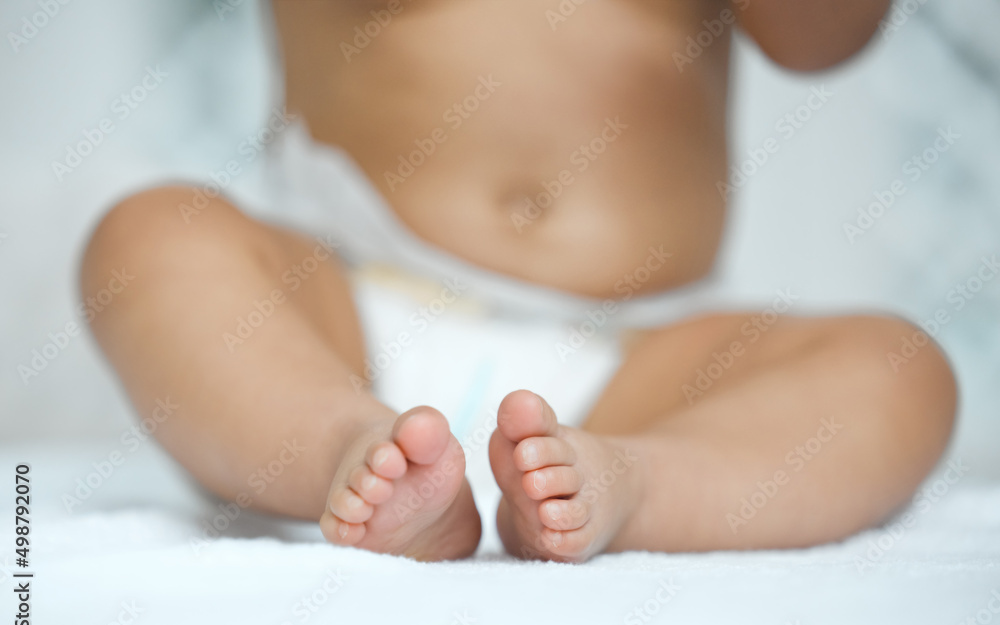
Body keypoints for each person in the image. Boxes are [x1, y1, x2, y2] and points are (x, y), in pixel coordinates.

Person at [80, 0, 956, 562]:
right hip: (340, 317)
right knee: (151, 238)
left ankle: (638, 484)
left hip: (637, 367)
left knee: (898, 369)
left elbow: (820, 39)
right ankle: (340, 448)